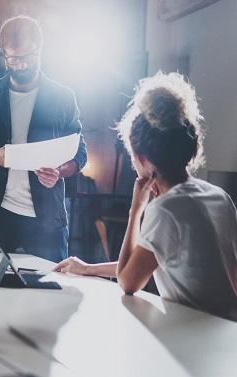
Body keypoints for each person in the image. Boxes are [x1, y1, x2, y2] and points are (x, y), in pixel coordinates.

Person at [54, 72, 237, 321]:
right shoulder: (218, 196)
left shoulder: (166, 209)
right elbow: (147, 261)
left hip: (197, 335)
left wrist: (136, 210)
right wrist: (87, 268)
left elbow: (129, 281)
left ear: (142, 160)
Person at [0, 15, 87, 262]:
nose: (22, 65)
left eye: (28, 57)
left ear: (40, 50)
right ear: (4, 56)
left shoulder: (63, 97)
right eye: (15, 58)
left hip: (47, 218)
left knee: (49, 292)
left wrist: (59, 171)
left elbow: (80, 154)